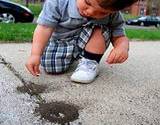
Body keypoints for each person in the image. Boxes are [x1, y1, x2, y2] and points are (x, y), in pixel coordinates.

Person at [25, 0, 138, 83]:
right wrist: (36, 54)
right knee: (52, 69)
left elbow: (119, 35)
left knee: (99, 28)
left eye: (102, 13)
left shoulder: (113, 13)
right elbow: (44, 28)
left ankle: (89, 63)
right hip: (61, 42)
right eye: (87, 3)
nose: (91, 12)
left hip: (90, 39)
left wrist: (121, 47)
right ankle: (73, 58)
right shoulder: (57, 3)